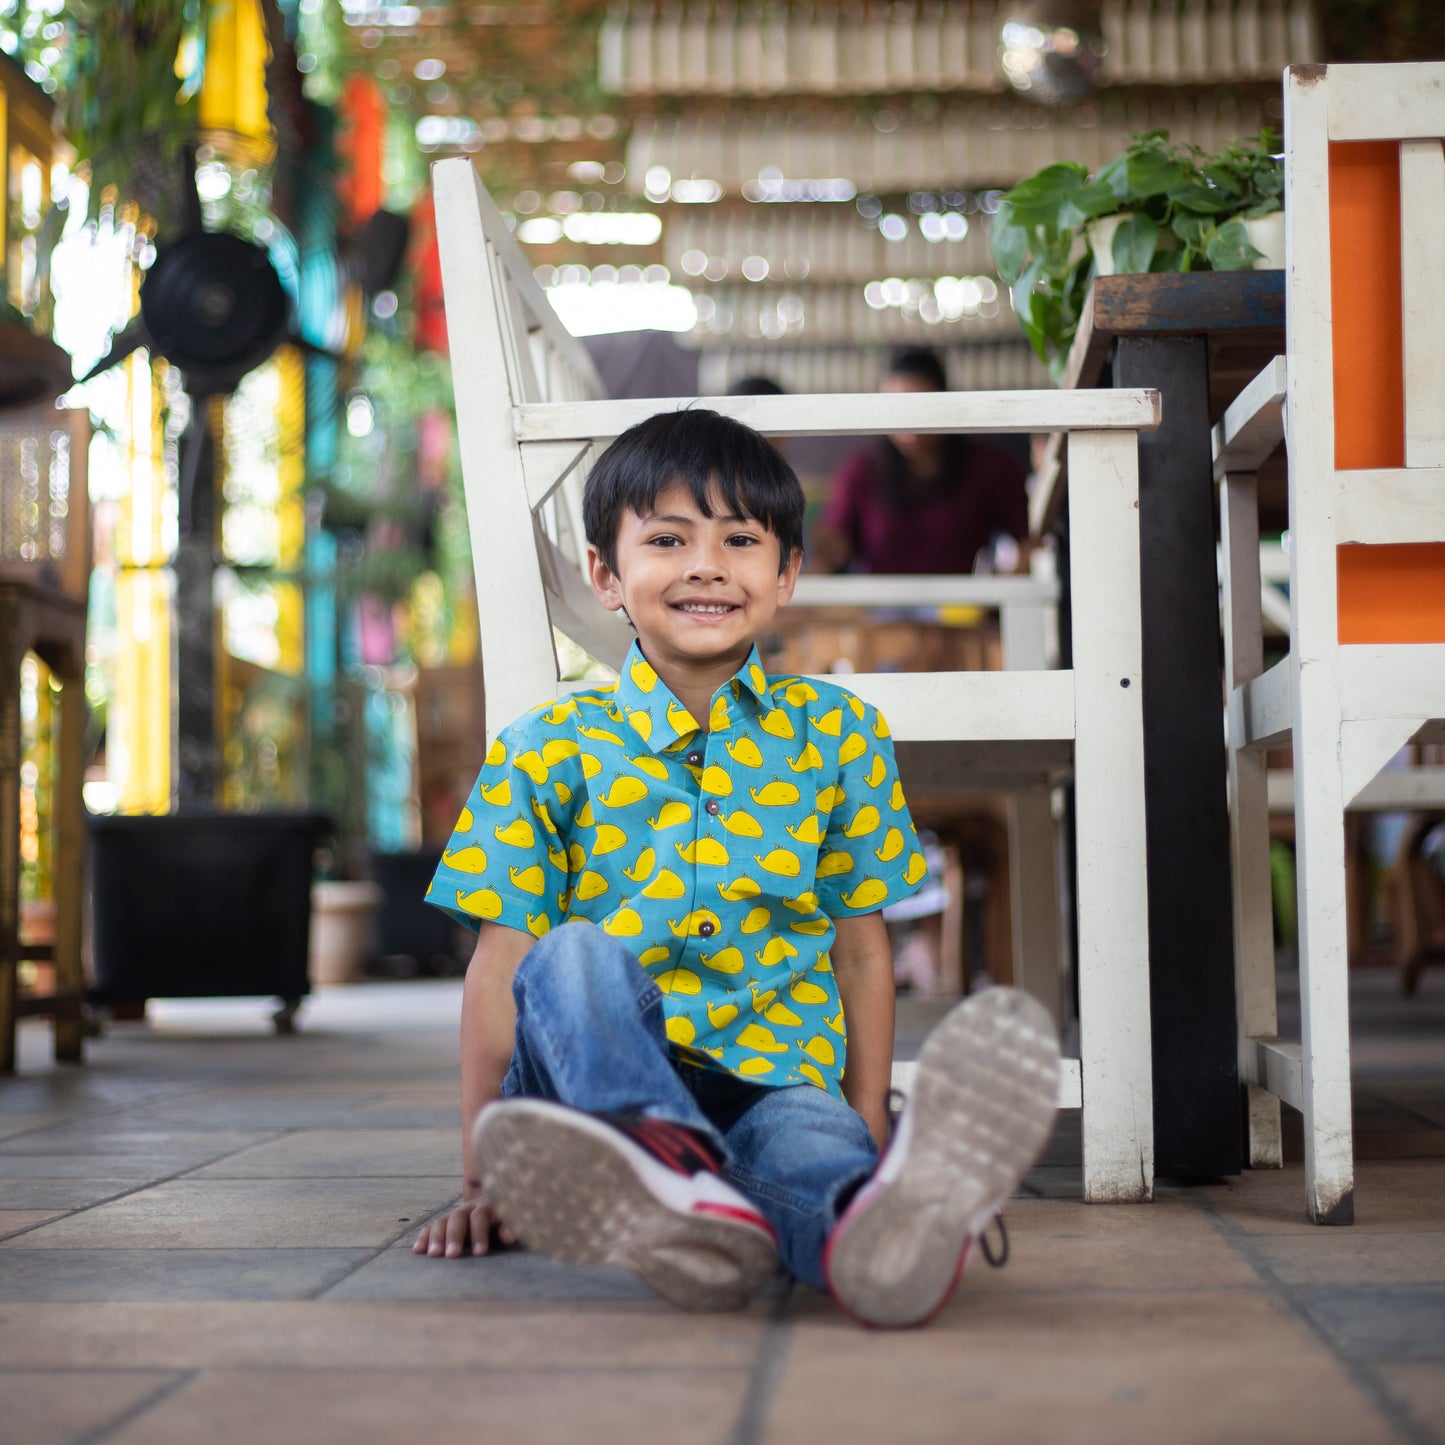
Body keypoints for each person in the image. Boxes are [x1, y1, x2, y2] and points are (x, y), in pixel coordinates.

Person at [413, 408, 1060, 1327]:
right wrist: (484, 1175)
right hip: (590, 1085)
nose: (706, 565)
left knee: (811, 1155)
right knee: (572, 956)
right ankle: (655, 1156)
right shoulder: (543, 747)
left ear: (787, 571)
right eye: (668, 538)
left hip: (775, 1076)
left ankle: (864, 1227)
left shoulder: (838, 734)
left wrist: (866, 1122)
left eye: (741, 540)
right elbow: (501, 968)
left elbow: (862, 952)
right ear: (606, 573)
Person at [812, 347, 1029, 575]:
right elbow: (833, 546)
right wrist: (826, 545)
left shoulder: (990, 467)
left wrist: (999, 600)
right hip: (880, 608)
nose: (908, 427)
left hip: (962, 608)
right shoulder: (861, 471)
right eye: (895, 411)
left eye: (919, 410)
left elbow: (1029, 543)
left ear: (943, 401)